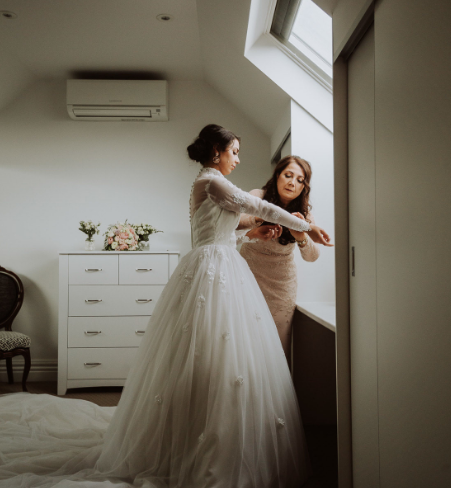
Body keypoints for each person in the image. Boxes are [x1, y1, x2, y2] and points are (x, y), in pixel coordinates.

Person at [0, 124, 331, 488]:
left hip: (219, 264)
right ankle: (203, 440)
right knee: (212, 352)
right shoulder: (212, 182)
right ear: (217, 152)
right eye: (234, 151)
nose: (237, 159)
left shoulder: (211, 186)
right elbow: (256, 205)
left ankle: (213, 428)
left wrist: (255, 230)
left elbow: (238, 220)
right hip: (213, 268)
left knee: (223, 355)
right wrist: (305, 228)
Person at [237, 156, 331, 364]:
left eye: (300, 180)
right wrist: (257, 226)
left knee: (277, 347)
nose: (292, 183)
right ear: (277, 175)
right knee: (244, 340)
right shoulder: (257, 197)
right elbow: (234, 225)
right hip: (247, 277)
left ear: (304, 187)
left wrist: (301, 236)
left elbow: (312, 256)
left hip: (281, 285)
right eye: (288, 175)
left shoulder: (304, 213)